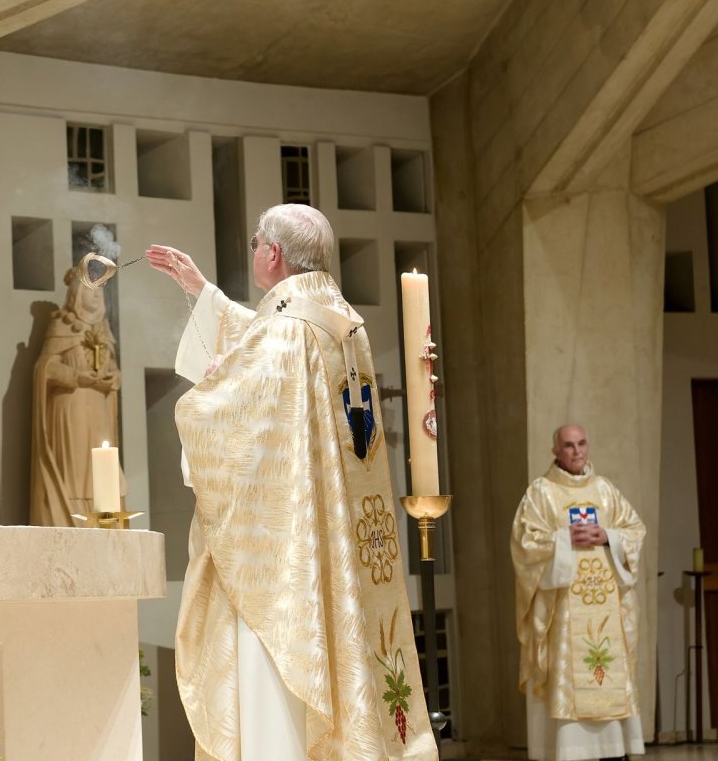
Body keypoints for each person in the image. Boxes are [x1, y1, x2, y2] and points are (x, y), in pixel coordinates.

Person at [146, 204, 436, 761]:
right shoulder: (337, 319)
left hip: (283, 550)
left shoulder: (287, 329)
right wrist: (204, 293)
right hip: (339, 529)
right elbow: (265, 343)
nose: (255, 249)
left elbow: (237, 415)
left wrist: (216, 385)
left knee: (273, 670)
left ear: (273, 253)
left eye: (258, 242)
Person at [511, 424, 646, 761]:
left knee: (610, 671)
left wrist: (608, 536)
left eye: (582, 443)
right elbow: (525, 543)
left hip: (607, 605)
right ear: (556, 451)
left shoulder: (605, 490)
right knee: (569, 675)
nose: (577, 451)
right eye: (569, 446)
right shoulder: (541, 492)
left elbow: (635, 530)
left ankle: (614, 751)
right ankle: (571, 752)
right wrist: (563, 539)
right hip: (565, 610)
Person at [29, 267, 123, 526]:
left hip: (99, 407)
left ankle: (103, 522)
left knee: (100, 472)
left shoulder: (104, 329)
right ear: (77, 292)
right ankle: (74, 522)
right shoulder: (62, 324)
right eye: (91, 289)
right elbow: (45, 368)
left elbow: (111, 366)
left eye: (100, 289)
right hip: (72, 406)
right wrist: (76, 377)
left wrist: (114, 377)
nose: (97, 295)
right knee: (76, 471)